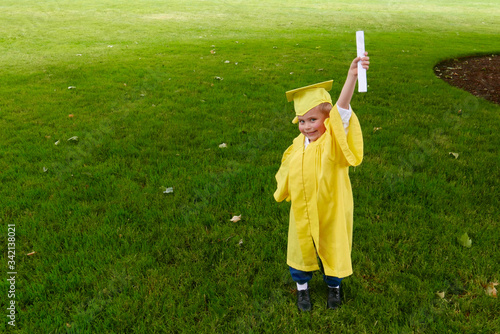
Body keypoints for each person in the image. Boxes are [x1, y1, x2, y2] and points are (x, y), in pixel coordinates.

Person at [274, 53, 369, 311]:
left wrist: (351, 77)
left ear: (328, 121)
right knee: (300, 247)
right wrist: (285, 189)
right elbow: (286, 171)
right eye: (302, 121)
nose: (306, 127)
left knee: (333, 244)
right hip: (303, 208)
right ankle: (302, 289)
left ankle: (334, 287)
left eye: (313, 120)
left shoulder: (333, 143)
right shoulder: (296, 146)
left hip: (331, 207)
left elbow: (342, 112)